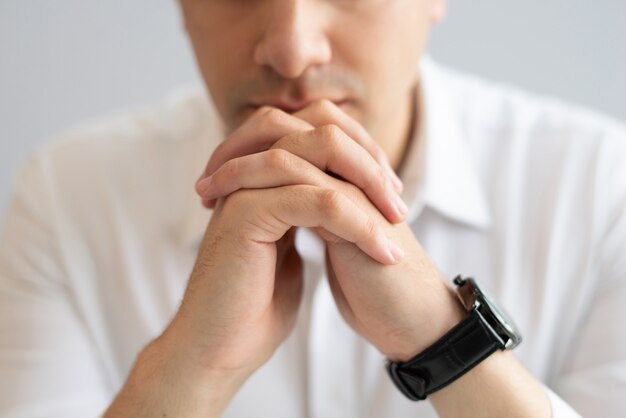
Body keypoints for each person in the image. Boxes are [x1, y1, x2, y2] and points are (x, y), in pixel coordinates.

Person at [0, 0, 625, 417]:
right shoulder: (67, 198)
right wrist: (193, 367)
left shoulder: (602, 190)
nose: (292, 52)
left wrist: (444, 340)